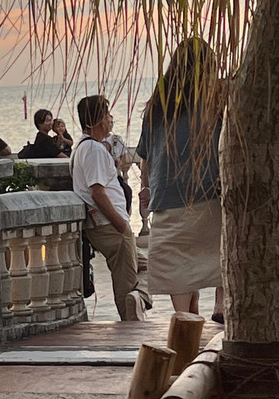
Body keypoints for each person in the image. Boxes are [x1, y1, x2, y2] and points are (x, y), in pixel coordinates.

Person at [136, 37, 224, 321]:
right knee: (220, 253)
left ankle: (186, 317)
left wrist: (146, 187)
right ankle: (221, 306)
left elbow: (147, 155)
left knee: (177, 264)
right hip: (210, 191)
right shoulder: (217, 100)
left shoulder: (158, 105)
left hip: (168, 194)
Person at [72, 94, 151, 321]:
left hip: (110, 224)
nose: (111, 119)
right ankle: (130, 322)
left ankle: (138, 300)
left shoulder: (84, 148)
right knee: (125, 279)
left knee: (146, 267)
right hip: (110, 224)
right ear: (98, 119)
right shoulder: (93, 149)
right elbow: (97, 192)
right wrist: (120, 224)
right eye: (107, 114)